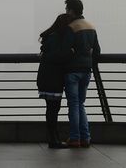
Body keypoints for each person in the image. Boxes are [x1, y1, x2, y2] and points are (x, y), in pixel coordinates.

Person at [62, 0, 100, 148]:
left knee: (73, 105)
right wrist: (90, 63)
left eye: (67, 9)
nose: (66, 12)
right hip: (86, 71)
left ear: (71, 11)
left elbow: (65, 49)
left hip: (72, 71)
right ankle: (85, 137)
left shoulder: (71, 27)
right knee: (80, 104)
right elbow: (97, 51)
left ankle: (75, 138)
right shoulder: (91, 26)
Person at [37, 13, 73, 149]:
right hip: (54, 78)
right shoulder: (59, 38)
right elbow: (60, 56)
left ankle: (53, 138)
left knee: (50, 109)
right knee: (54, 109)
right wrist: (72, 52)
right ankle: (54, 140)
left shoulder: (51, 37)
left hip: (45, 77)